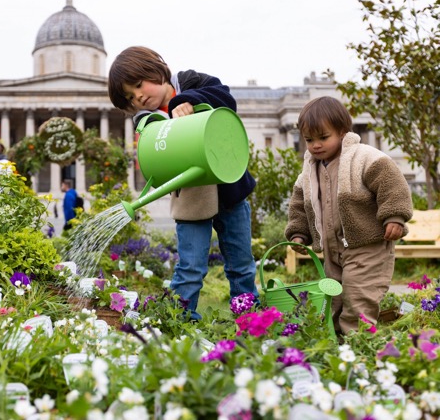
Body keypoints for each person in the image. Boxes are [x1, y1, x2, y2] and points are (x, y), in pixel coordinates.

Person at [108, 46, 259, 320]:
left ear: (156, 70)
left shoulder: (190, 81)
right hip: (190, 197)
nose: (139, 96)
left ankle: (249, 317)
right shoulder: (147, 120)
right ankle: (179, 319)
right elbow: (155, 149)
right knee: (190, 266)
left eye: (139, 85)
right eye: (130, 97)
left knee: (242, 264)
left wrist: (186, 100)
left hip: (229, 189)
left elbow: (225, 99)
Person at [285, 96, 413, 334]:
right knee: (334, 296)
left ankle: (358, 344)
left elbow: (392, 185)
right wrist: (299, 234)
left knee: (358, 295)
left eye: (324, 137)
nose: (316, 145)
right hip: (334, 251)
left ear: (342, 132)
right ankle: (335, 342)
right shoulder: (309, 171)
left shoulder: (364, 157)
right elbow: (300, 206)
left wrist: (394, 216)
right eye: (309, 140)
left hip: (367, 245)